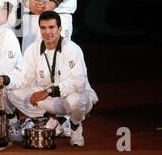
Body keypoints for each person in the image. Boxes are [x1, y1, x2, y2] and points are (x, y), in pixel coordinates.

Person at [9, 11, 98, 147]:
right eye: (43, 28)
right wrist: (6, 79)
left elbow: (77, 83)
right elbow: (24, 78)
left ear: (60, 29)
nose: (47, 32)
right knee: (13, 92)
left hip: (76, 96)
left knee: (74, 100)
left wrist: (49, 91)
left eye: (51, 27)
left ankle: (75, 126)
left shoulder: (73, 49)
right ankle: (53, 120)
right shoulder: (33, 49)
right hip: (51, 100)